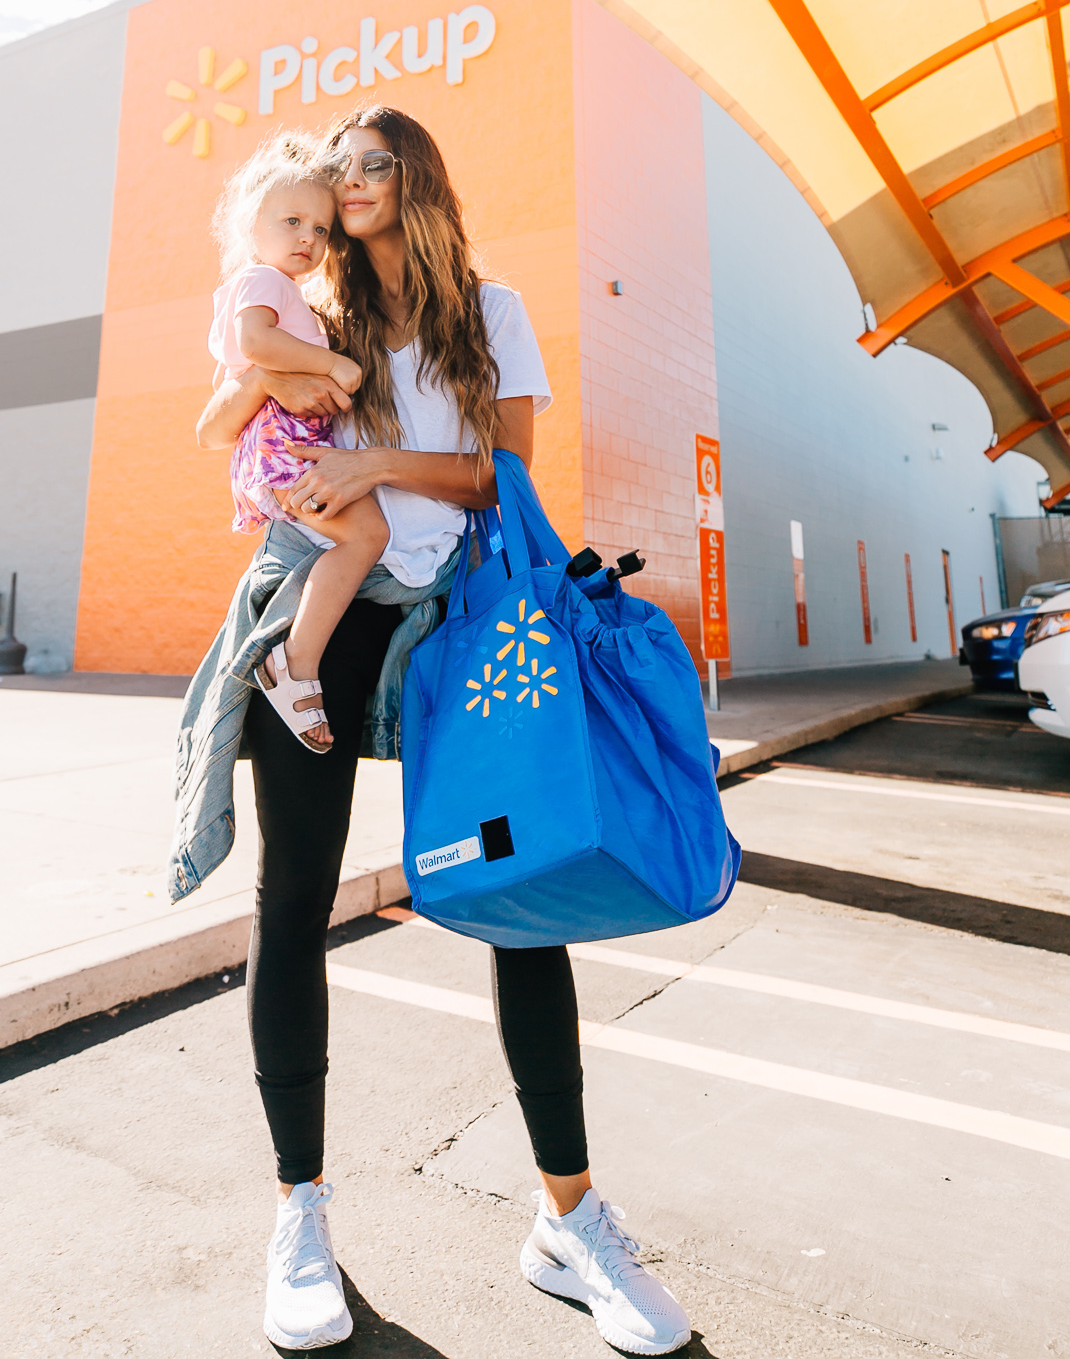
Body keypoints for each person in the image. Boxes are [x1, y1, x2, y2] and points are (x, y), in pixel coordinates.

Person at [189, 105, 692, 1356]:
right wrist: (279, 404)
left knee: (525, 899)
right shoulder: (312, 304)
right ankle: (299, 1211)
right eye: (335, 167)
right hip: (321, 600)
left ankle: (568, 1219)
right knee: (291, 897)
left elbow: (503, 475)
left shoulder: (490, 308)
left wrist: (376, 467)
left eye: (370, 161)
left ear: (415, 176)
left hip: (461, 630)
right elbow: (231, 404)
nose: (347, 182)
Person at [208, 132, 388, 751]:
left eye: (320, 227)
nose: (308, 238)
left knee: (357, 536)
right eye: (291, 221)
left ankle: (297, 655)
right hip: (283, 445)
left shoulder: (286, 291)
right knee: (365, 535)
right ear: (252, 225)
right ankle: (295, 662)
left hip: (278, 444)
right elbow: (255, 344)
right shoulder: (263, 279)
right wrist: (333, 365)